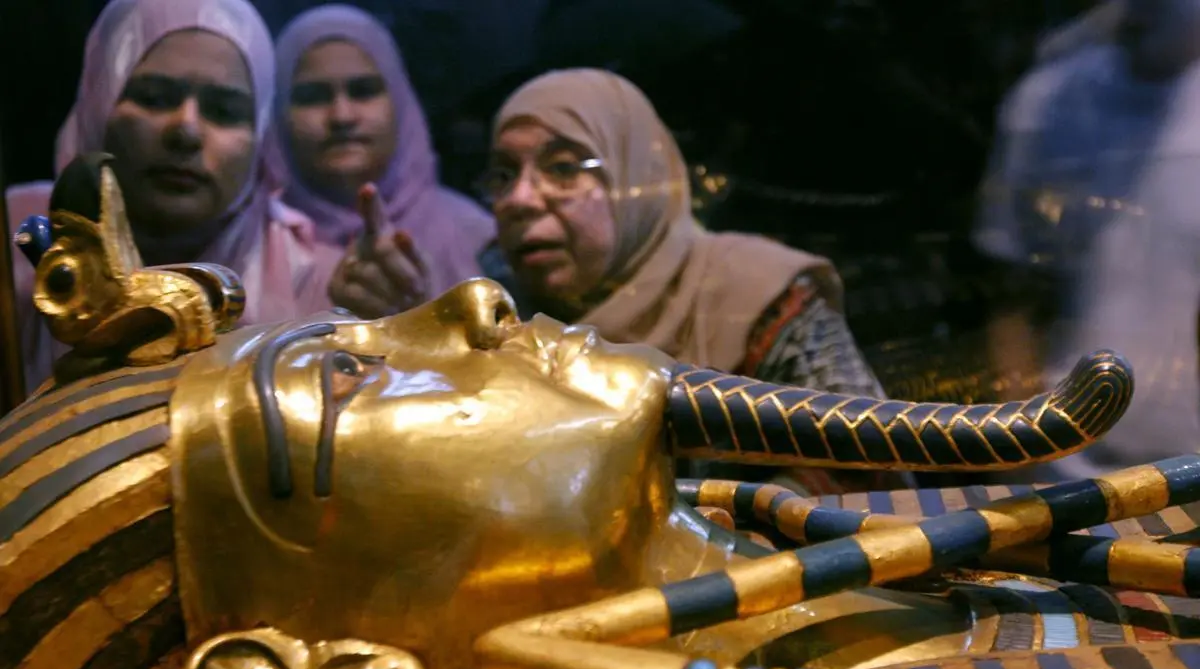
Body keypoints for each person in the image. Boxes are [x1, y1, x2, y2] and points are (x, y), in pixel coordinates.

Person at [479, 68, 903, 495]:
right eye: (502, 175)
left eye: (563, 167)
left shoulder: (754, 294)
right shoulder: (495, 322)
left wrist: (735, 518)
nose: (519, 199)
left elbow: (865, 462)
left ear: (636, 177)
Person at [4, 0, 343, 395]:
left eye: (224, 111)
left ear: (261, 136)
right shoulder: (13, 240)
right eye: (154, 97)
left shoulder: (321, 284)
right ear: (98, 104)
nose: (186, 131)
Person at [976, 0, 1200, 481]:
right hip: (1067, 469)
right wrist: (1022, 463)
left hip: (1192, 468)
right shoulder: (1048, 104)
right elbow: (1012, 297)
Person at [271, 5, 495, 318]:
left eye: (363, 91)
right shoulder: (253, 247)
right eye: (313, 96)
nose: (342, 116)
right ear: (278, 114)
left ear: (401, 103)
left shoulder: (477, 238)